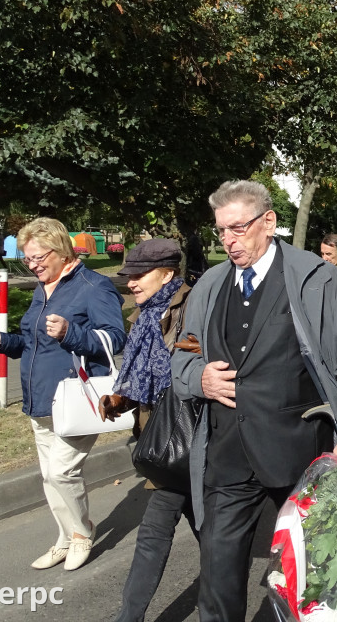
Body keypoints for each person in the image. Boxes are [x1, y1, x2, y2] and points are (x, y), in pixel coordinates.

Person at [171, 180, 337, 622]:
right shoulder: (210, 285)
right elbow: (182, 359)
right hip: (227, 452)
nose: (228, 241)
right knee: (217, 571)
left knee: (309, 572)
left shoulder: (313, 277)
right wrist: (200, 379)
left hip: (298, 452)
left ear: (268, 222)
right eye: (221, 232)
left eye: (237, 228)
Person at [0, 217, 126, 571]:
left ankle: (82, 533)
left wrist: (71, 332)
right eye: (27, 260)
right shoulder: (41, 287)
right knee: (48, 476)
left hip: (76, 400)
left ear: (61, 251)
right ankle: (64, 537)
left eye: (38, 257)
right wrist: (6, 343)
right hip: (39, 399)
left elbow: (114, 339)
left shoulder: (94, 287)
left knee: (62, 473)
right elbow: (34, 343)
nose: (32, 266)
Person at [97, 239, 195, 622]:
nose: (131, 283)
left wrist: (191, 352)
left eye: (139, 275)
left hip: (185, 437)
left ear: (167, 274)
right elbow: (143, 375)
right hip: (159, 435)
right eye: (128, 276)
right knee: (210, 529)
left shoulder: (193, 305)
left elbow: (196, 367)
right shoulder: (144, 313)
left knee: (154, 531)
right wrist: (123, 399)